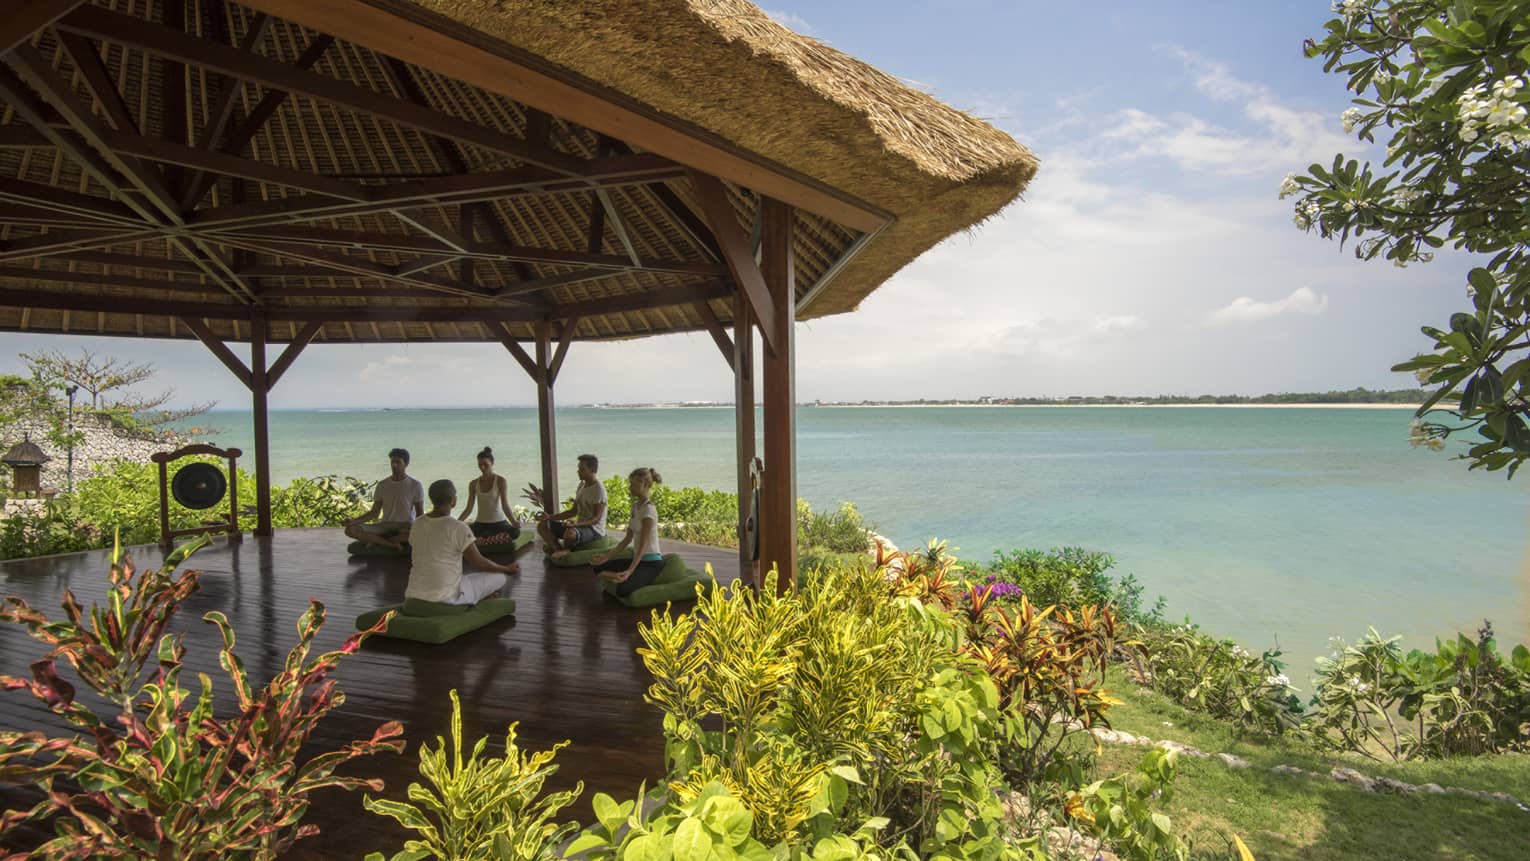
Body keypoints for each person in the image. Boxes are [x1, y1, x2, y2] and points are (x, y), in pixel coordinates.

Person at [407, 479, 520, 606]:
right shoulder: (458, 527)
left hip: (414, 593)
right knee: (500, 577)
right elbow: (480, 563)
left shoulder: (417, 523)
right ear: (453, 501)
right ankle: (475, 597)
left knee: (467, 578)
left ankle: (479, 594)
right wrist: (506, 568)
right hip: (446, 598)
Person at [592, 467, 665, 598]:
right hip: (637, 559)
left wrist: (630, 570)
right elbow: (627, 538)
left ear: (645, 485)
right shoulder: (635, 507)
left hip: (651, 563)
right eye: (630, 484)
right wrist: (607, 557)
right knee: (598, 567)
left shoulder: (649, 510)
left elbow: (644, 542)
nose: (630, 487)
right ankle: (616, 576)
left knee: (623, 590)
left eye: (634, 484)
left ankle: (622, 577)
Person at [344, 448, 424, 550]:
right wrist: (353, 522)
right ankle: (391, 543)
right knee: (350, 530)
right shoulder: (382, 485)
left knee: (417, 535)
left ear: (406, 464)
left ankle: (377, 540)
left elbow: (420, 514)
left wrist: (414, 529)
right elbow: (374, 512)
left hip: (405, 526)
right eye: (392, 462)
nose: (394, 465)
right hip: (384, 525)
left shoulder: (415, 485)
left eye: (398, 462)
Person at [535, 453, 607, 558]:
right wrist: (549, 517)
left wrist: (575, 525)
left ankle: (567, 550)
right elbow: (573, 511)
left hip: (594, 530)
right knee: (542, 525)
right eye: (578, 468)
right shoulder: (581, 485)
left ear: (592, 470)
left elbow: (596, 519)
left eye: (582, 469)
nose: (578, 471)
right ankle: (558, 549)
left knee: (570, 534)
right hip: (578, 527)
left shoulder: (598, 490)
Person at [457, 446, 520, 546]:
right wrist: (457, 523)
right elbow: (468, 508)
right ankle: (490, 540)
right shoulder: (473, 484)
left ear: (492, 463)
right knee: (463, 533)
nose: (482, 467)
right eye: (480, 464)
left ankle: (482, 541)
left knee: (515, 532)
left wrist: (514, 522)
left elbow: (505, 505)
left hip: (499, 523)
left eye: (485, 464)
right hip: (480, 524)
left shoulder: (500, 481)